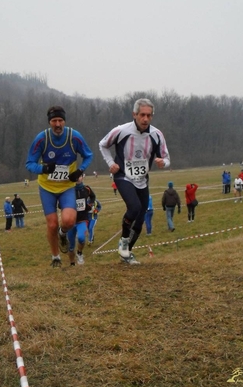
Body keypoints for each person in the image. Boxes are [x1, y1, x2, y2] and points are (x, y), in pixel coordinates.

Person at [99, 98, 170, 264]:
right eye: (142, 115)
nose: (145, 119)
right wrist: (111, 163)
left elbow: (166, 158)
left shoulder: (157, 134)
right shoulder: (121, 131)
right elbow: (102, 145)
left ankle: (127, 253)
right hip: (123, 175)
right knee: (134, 207)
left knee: (140, 218)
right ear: (134, 114)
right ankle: (123, 241)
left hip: (142, 179)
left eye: (149, 115)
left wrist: (162, 163)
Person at [26, 105, 93, 266]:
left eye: (60, 120)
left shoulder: (74, 137)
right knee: (52, 224)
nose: (57, 124)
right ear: (49, 122)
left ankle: (63, 234)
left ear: (64, 121)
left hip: (66, 187)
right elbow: (29, 163)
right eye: (54, 121)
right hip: (47, 188)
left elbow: (88, 155)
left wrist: (80, 171)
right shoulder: (42, 139)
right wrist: (43, 168)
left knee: (69, 221)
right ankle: (55, 257)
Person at [67, 174, 96, 265]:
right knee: (71, 246)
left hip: (82, 220)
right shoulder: (68, 190)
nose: (77, 178)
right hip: (70, 221)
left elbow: (93, 197)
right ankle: (72, 263)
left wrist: (89, 205)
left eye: (79, 176)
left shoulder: (86, 189)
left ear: (82, 177)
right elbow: (60, 204)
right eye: (75, 177)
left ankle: (79, 253)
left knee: (81, 238)